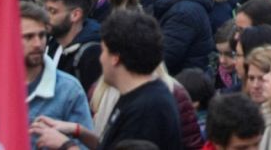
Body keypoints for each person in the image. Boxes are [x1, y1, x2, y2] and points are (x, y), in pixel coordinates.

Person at [31, 8, 184, 150]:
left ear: (115, 58)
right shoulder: (138, 95)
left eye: (103, 51)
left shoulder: (147, 109)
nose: (100, 58)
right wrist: (78, 130)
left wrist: (65, 145)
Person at [23, 1, 95, 139]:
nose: (38, 44)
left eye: (42, 35)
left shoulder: (68, 89)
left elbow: (84, 145)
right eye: (28, 37)